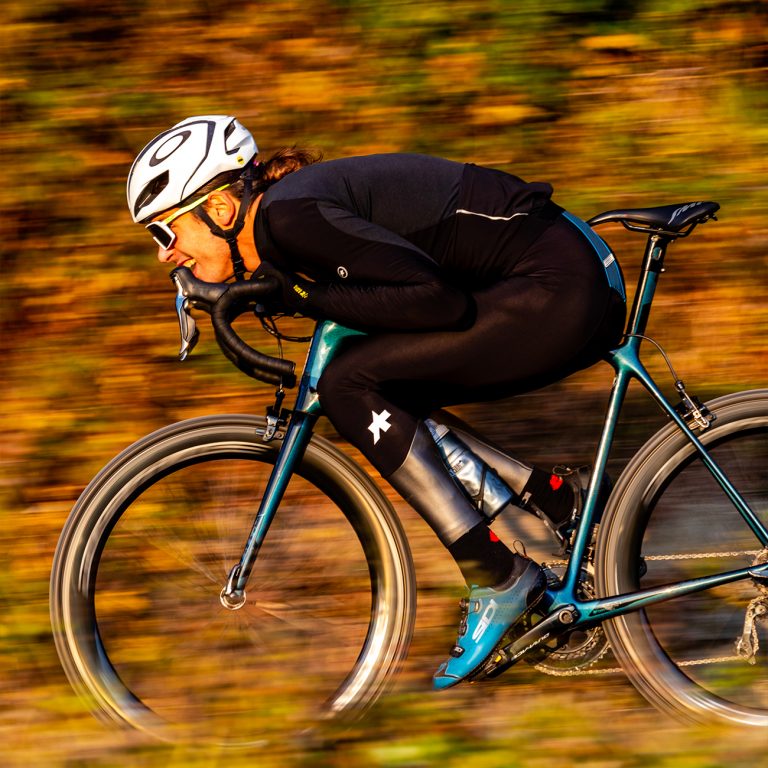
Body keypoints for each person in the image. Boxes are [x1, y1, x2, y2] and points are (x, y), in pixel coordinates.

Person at [127, 115, 626, 689]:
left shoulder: (288, 218)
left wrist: (293, 291)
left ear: (219, 210)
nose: (165, 255)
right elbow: (383, 294)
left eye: (166, 233)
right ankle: (557, 500)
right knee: (373, 376)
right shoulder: (284, 219)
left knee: (349, 384)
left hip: (560, 285)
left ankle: (497, 577)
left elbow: (436, 303)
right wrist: (276, 291)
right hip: (558, 272)